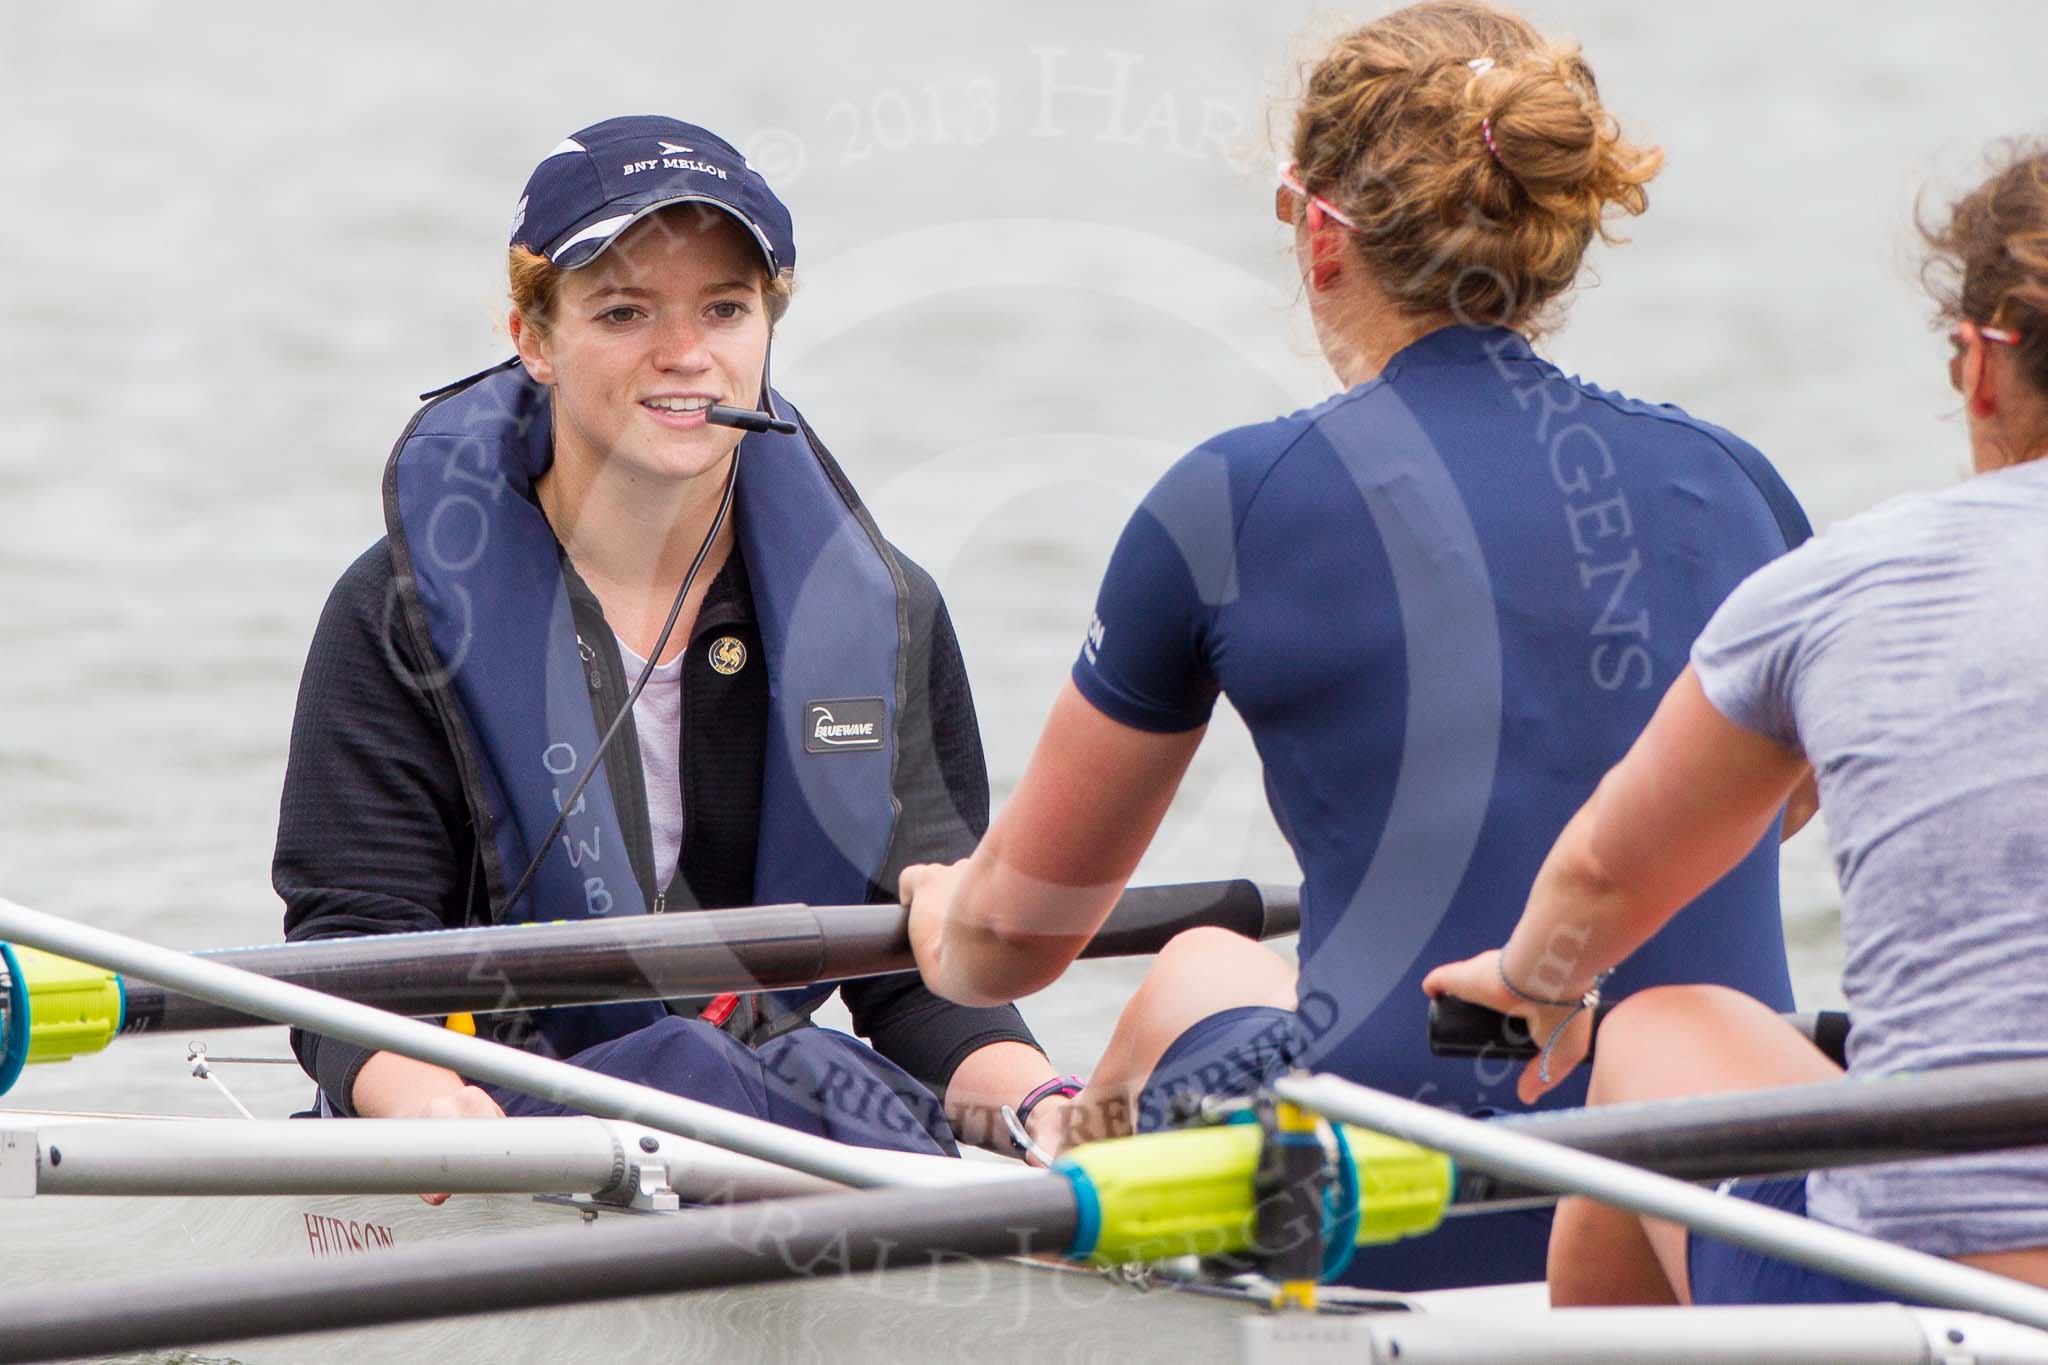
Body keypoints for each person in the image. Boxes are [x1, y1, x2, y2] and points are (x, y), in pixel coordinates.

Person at [900, 1, 1813, 1288]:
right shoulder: (1739, 486)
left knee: (1194, 969)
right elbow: (1765, 815)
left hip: (1394, 1209)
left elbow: (1017, 942)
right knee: (1229, 966)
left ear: (1321, 232)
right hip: (1703, 1211)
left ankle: (1068, 1256)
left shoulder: (1233, 497)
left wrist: (939, 913)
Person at [276, 115, 1073, 1167]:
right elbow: (350, 956)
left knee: (793, 1081)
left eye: (725, 309)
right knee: (722, 1076)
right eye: (623, 311)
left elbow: (914, 973)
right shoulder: (394, 613)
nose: (686, 354)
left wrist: (1053, 1108)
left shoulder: (883, 616)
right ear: (534, 336)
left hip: (759, 1106)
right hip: (486, 1115)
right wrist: (425, 1107)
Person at [1423, 141, 2048, 1304]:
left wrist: (1535, 988)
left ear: (1975, 365)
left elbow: (1608, 875)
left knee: (1661, 1023)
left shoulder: (1846, 582)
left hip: (1951, 1300)